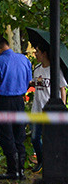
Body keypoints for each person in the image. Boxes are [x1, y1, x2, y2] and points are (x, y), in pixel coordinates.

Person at [0, 36, 33, 180]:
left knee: (6, 136)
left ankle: (13, 171)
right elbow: (28, 81)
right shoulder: (24, 59)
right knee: (19, 135)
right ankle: (21, 170)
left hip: (2, 102)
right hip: (19, 101)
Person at [28, 43, 67, 173]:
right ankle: (41, 160)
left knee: (51, 138)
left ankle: (53, 163)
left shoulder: (55, 70)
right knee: (35, 138)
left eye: (37, 51)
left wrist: (61, 106)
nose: (35, 54)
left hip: (50, 110)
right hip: (37, 109)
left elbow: (63, 89)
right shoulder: (37, 69)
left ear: (44, 53)